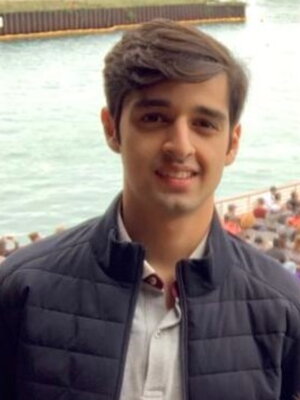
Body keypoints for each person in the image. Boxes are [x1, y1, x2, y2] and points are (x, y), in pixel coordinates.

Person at [1, 19, 300, 400]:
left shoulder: (283, 310)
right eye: (154, 118)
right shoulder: (21, 292)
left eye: (204, 123)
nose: (180, 145)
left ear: (231, 143)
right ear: (112, 128)